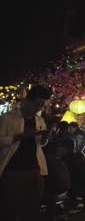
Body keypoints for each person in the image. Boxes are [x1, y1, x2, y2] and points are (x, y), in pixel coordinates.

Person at [0, 85, 52, 221]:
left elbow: (39, 145)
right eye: (37, 104)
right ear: (28, 100)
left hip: (35, 169)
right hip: (12, 169)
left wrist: (45, 138)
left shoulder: (39, 120)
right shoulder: (8, 118)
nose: (39, 108)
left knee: (32, 209)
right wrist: (19, 136)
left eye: (42, 105)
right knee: (10, 208)